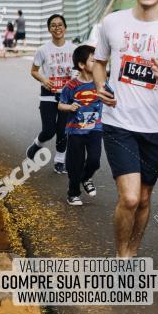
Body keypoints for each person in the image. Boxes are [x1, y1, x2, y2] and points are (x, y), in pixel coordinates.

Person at [93, 0, 158, 258]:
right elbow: (99, 63)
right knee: (130, 198)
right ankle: (122, 256)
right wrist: (98, 87)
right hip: (119, 123)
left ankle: (133, 250)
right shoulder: (113, 23)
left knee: (145, 199)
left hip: (156, 128)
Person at [26, 14, 76, 173]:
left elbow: (80, 70)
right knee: (49, 130)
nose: (57, 28)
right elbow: (34, 71)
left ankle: (59, 161)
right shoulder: (43, 50)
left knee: (63, 131)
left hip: (67, 96)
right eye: (53, 25)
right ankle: (36, 146)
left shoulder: (73, 49)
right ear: (49, 29)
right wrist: (44, 80)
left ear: (65, 28)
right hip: (48, 95)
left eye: (60, 25)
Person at [58, 45, 103, 206]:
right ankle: (73, 193)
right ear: (82, 65)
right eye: (93, 60)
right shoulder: (71, 86)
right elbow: (60, 105)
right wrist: (69, 107)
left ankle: (86, 177)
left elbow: (110, 96)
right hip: (76, 130)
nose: (97, 63)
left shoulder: (99, 83)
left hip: (95, 129)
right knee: (74, 163)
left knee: (94, 160)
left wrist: (111, 100)